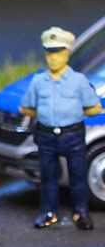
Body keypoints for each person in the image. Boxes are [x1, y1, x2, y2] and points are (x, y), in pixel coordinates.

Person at [19, 26, 102, 230]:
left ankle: (81, 213)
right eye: (50, 54)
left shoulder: (79, 81)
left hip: (72, 135)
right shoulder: (39, 81)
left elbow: (94, 107)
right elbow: (26, 107)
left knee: (78, 176)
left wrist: (75, 112)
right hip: (47, 135)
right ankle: (49, 213)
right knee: (48, 177)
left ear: (66, 54)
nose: (53, 58)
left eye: (58, 53)